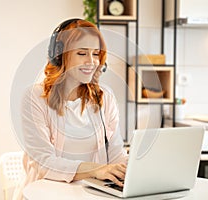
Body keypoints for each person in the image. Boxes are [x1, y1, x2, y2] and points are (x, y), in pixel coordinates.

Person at [13, 18, 127, 200]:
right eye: (82, 53)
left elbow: (115, 154)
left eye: (96, 54)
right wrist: (97, 170)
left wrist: (134, 169)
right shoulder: (35, 97)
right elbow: (44, 163)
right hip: (44, 194)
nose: (92, 62)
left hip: (89, 195)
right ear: (59, 56)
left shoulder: (105, 97)